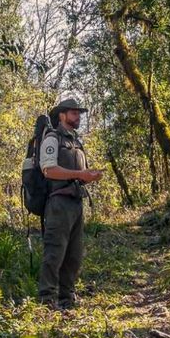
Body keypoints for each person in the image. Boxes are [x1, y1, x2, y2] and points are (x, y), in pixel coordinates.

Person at [38, 98, 102, 309]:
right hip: (58, 203)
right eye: (74, 113)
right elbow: (49, 170)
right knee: (54, 252)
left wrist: (89, 176)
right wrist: (79, 174)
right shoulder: (52, 139)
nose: (78, 117)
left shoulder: (77, 142)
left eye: (79, 113)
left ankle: (67, 298)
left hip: (76, 203)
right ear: (62, 115)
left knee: (74, 254)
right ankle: (47, 299)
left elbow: (79, 174)